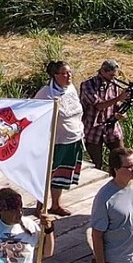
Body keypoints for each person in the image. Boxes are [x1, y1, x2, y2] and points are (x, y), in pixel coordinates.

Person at [35, 61, 85, 215]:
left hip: (74, 137)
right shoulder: (46, 93)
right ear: (55, 75)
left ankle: (56, 205)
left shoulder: (70, 88)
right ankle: (40, 206)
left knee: (62, 175)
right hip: (56, 141)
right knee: (49, 174)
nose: (69, 75)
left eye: (69, 72)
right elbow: (34, 113)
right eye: (64, 73)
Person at [80, 60, 129, 171]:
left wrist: (122, 112)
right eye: (111, 75)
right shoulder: (88, 85)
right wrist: (119, 98)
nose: (113, 78)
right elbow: (98, 105)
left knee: (121, 160)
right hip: (93, 129)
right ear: (102, 71)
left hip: (111, 128)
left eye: (115, 75)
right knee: (96, 165)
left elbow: (116, 104)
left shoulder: (114, 85)